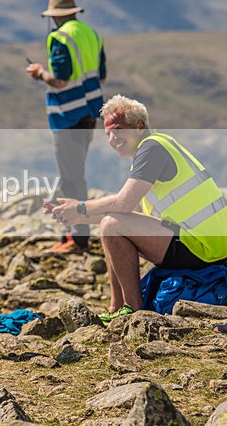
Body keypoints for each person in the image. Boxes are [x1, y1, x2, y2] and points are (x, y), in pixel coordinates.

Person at [47, 95, 227, 322]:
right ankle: (116, 308)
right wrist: (75, 217)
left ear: (140, 126)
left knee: (112, 224)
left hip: (204, 248)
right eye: (108, 134)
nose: (113, 138)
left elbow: (123, 204)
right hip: (208, 244)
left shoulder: (152, 148)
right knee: (111, 224)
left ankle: (131, 308)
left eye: (119, 130)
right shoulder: (157, 146)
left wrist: (81, 207)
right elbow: (134, 216)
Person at [26, 0, 107, 253]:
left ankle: (78, 238)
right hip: (90, 111)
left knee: (71, 178)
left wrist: (39, 73)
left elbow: (60, 79)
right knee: (76, 173)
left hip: (67, 115)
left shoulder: (58, 38)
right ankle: (72, 233)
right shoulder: (92, 34)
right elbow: (101, 76)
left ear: (54, 16)